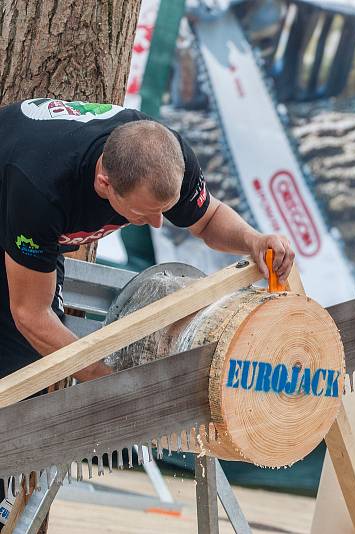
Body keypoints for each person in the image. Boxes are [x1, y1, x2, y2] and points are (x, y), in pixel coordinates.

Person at [0, 98, 295, 385]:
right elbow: (32, 315)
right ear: (105, 183)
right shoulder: (41, 190)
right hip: (16, 191)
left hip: (29, 219)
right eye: (144, 212)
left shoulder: (164, 155)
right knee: (16, 363)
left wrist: (253, 240)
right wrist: (107, 382)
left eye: (164, 211)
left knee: (33, 362)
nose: (157, 223)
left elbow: (208, 218)